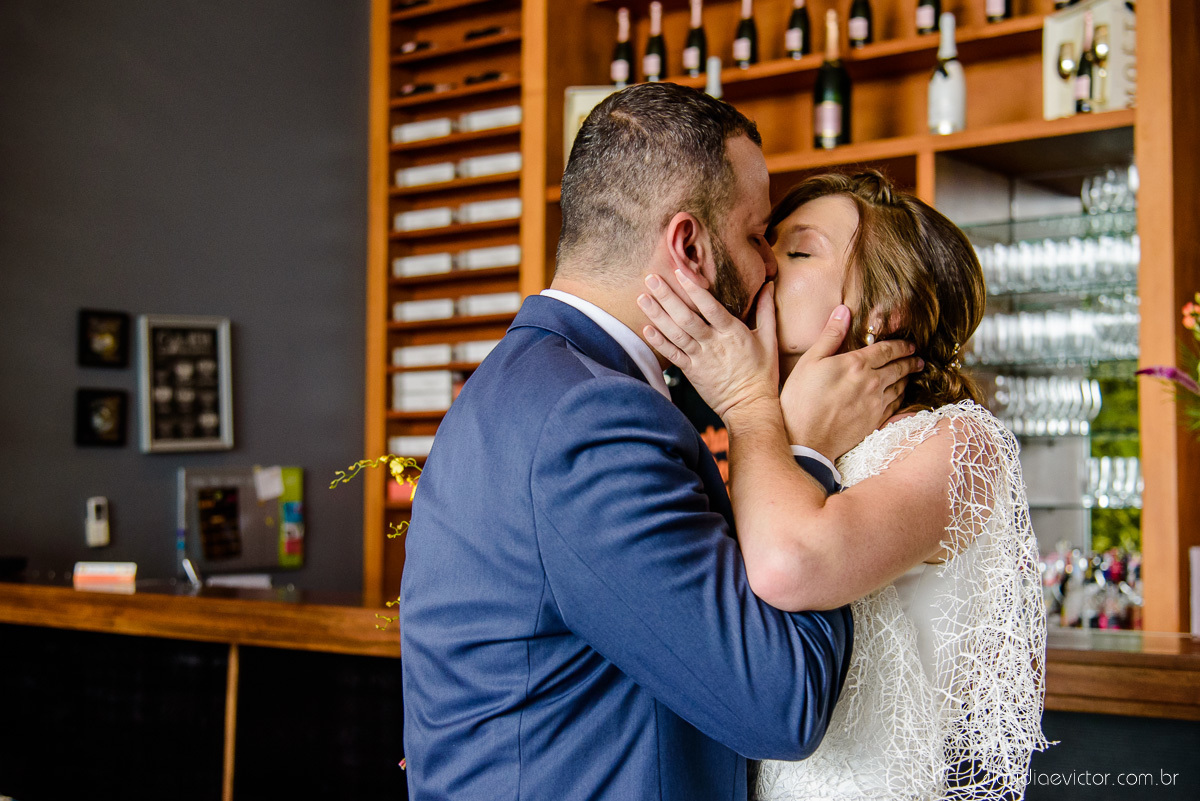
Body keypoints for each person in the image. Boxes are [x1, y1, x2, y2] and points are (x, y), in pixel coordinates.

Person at [399, 85, 922, 801]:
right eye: (757, 235)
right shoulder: (593, 420)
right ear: (689, 246)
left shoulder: (525, 383)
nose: (768, 266)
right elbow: (782, 703)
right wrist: (802, 449)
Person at [639, 170, 1051, 800]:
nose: (765, 263)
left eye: (798, 250)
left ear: (889, 310)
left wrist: (752, 409)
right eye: (765, 241)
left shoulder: (961, 444)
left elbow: (788, 568)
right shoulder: (777, 441)